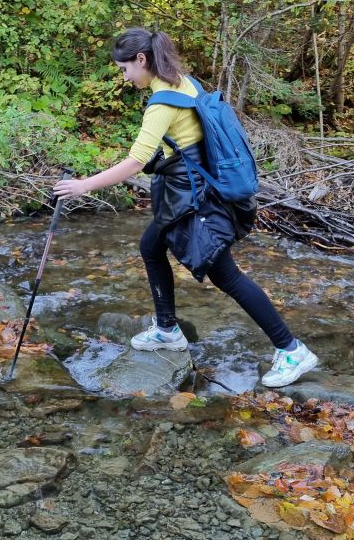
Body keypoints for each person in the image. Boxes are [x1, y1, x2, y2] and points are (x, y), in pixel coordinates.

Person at [53, 28, 319, 388]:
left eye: (124, 69)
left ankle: (291, 349)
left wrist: (83, 185)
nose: (125, 77)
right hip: (193, 191)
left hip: (193, 199)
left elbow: (135, 162)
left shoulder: (161, 103)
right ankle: (167, 329)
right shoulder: (184, 82)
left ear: (142, 60)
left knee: (226, 276)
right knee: (150, 246)